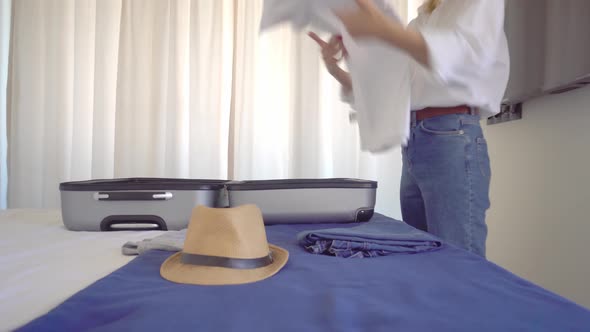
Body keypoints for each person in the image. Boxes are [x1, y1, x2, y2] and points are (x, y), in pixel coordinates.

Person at [309, 0, 510, 258]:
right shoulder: (420, 22)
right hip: (416, 142)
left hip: (451, 137)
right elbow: (392, 92)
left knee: (458, 264)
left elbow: (466, 56)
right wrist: (335, 69)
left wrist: (384, 30)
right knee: (421, 258)